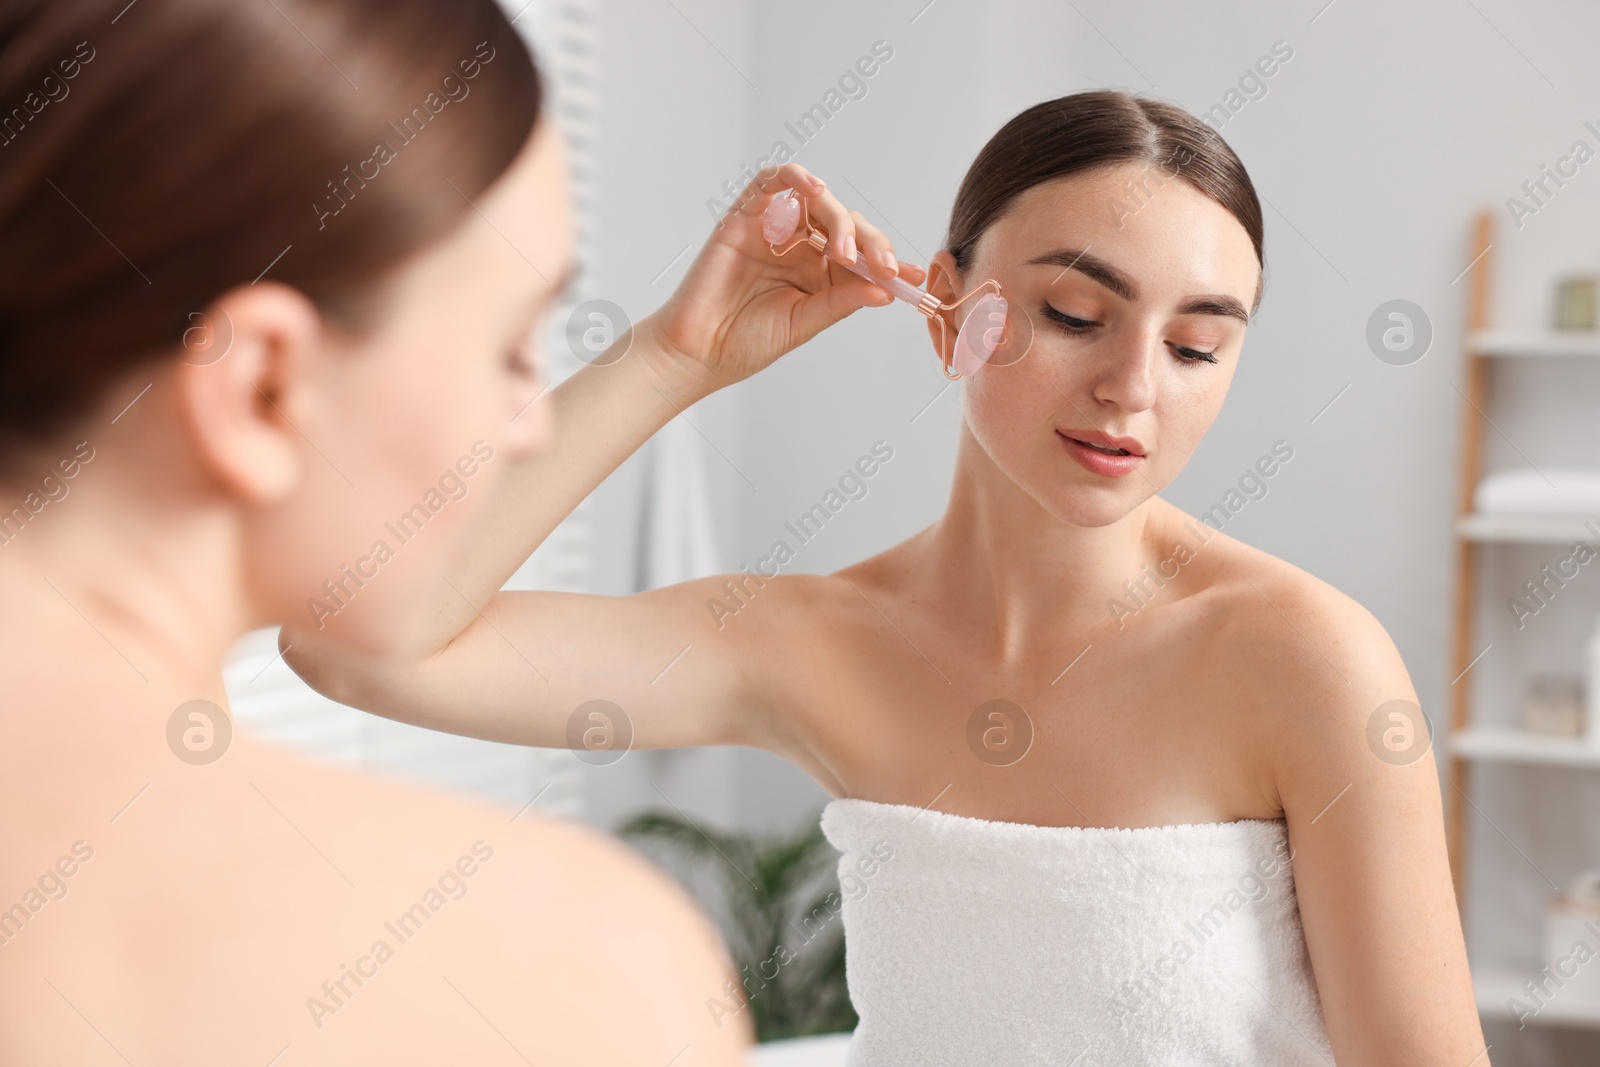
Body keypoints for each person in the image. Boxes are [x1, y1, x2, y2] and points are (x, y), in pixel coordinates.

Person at [287, 90, 1492, 1064]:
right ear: (944, 309)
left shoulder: (1301, 660)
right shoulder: (808, 640)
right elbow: (351, 639)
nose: (1135, 385)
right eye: (1078, 313)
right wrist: (675, 356)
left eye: (1194, 346)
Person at [0, 0, 898, 1061]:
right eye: (512, 345)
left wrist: (673, 354)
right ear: (266, 388)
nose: (527, 428)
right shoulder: (570, 970)